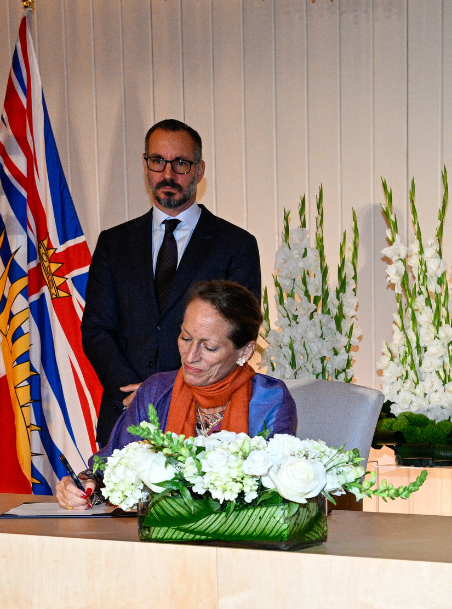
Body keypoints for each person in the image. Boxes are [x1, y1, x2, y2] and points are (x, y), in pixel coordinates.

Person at [82, 118, 262, 446]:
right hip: (124, 414)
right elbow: (96, 330)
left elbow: (239, 335)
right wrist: (137, 393)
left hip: (205, 419)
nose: (168, 174)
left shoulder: (236, 244)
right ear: (146, 165)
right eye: (157, 161)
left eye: (180, 163)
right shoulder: (113, 243)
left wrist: (165, 392)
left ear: (199, 170)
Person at [58, 281, 296, 509]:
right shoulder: (156, 391)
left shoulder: (270, 400)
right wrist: (81, 486)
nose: (190, 356)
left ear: (244, 350)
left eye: (209, 347)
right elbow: (107, 469)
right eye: (185, 338)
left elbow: (273, 494)